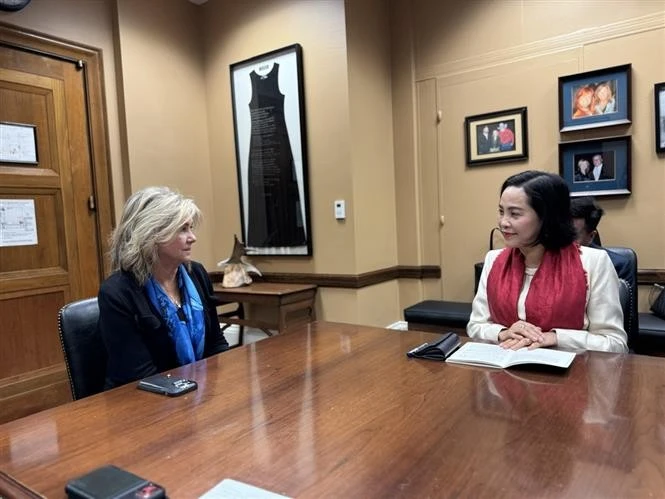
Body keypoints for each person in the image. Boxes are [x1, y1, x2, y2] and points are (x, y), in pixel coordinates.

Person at [467, 170, 627, 353]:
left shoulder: (594, 262)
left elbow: (615, 343)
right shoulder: (493, 260)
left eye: (515, 214)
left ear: (547, 217)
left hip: (570, 376)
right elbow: (475, 326)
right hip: (503, 371)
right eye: (501, 211)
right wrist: (503, 332)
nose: (503, 222)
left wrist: (555, 337)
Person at [98, 186, 229, 389]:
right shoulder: (117, 293)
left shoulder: (197, 274)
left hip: (196, 394)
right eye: (182, 229)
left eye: (190, 227)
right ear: (152, 235)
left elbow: (216, 345)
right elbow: (139, 376)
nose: (192, 237)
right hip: (142, 404)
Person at [570, 196, 631, 281]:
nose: (565, 241)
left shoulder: (617, 265)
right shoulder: (550, 259)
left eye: (572, 236)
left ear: (591, 237)